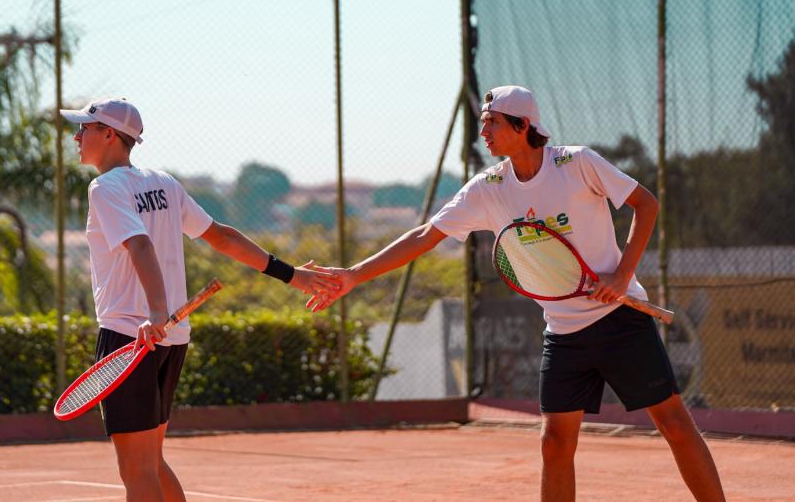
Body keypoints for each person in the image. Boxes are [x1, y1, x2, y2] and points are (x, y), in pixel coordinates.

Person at [307, 85, 725, 502]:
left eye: (492, 122)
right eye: (483, 122)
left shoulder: (577, 163)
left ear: (523, 126)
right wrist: (355, 275)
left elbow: (645, 204)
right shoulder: (487, 188)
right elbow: (425, 235)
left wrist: (622, 274)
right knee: (555, 442)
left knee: (673, 423)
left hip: (620, 320)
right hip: (563, 333)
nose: (483, 131)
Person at [61, 97, 339, 502]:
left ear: (109, 135)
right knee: (151, 463)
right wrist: (292, 275)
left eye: (85, 128)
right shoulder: (164, 183)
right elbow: (222, 237)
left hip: (131, 337)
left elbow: (139, 246)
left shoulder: (104, 189)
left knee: (137, 470)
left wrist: (154, 312)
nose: (77, 136)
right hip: (170, 338)